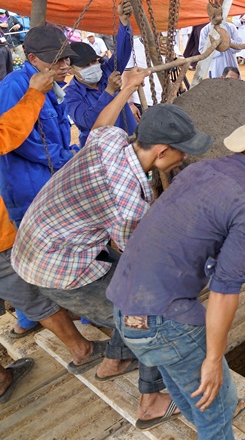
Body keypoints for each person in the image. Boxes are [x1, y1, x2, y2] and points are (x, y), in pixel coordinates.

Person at [107, 100, 245, 439]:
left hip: (124, 306)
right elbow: (224, 289)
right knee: (214, 409)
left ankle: (207, 416)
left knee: (191, 390)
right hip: (165, 320)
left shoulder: (201, 170)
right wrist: (213, 360)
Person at [12, 75, 207, 427]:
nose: (185, 157)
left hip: (47, 242)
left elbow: (101, 124)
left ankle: (114, 361)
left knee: (125, 288)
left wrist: (128, 89)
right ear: (162, 151)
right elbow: (145, 264)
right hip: (57, 265)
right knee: (150, 312)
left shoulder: (115, 141)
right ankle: (149, 403)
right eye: (183, 151)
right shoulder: (126, 200)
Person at [0, 67, 115, 405]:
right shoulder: (17, 88)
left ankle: (3, 377)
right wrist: (35, 94)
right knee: (35, 294)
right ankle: (82, 350)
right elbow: (10, 133)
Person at [0, 25, 79, 227]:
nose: (63, 66)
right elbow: (19, 140)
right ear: (33, 58)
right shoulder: (15, 85)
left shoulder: (54, 87)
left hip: (54, 186)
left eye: (66, 59)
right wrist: (67, 158)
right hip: (30, 195)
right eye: (55, 60)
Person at [65, 0, 136, 147]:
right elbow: (88, 121)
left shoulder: (107, 71)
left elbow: (122, 52)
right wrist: (109, 91)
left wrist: (123, 22)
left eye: (94, 62)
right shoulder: (71, 95)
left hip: (130, 139)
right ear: (71, 69)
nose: (92, 66)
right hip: (102, 151)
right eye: (85, 65)